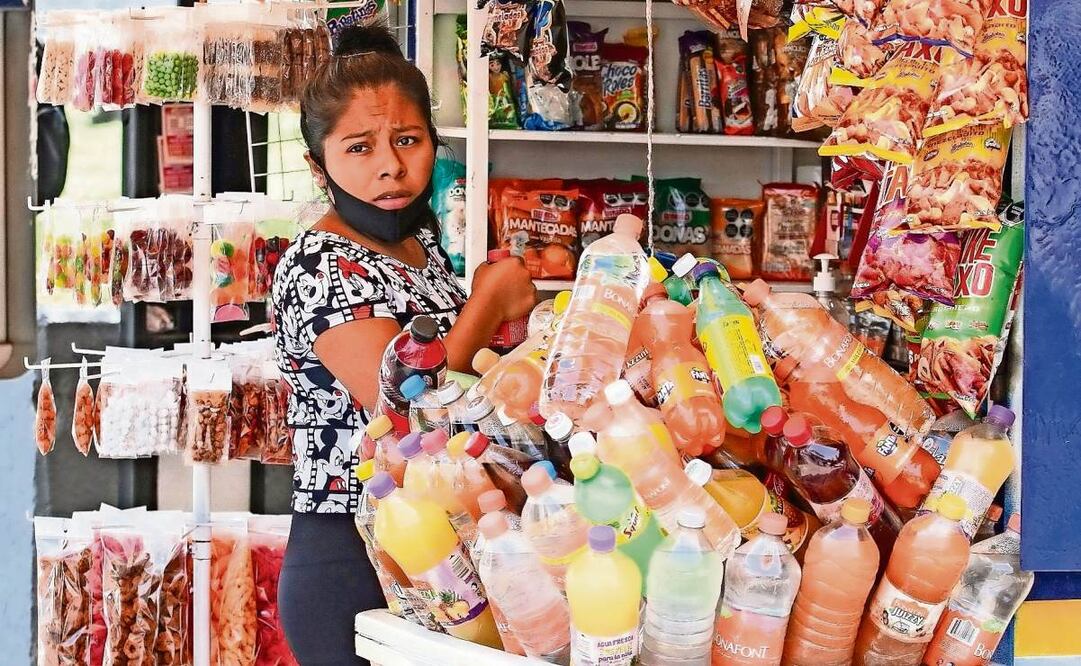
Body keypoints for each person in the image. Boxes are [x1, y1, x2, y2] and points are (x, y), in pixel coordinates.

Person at [271, 24, 536, 665]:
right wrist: (487, 301)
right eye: (359, 148)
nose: (391, 165)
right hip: (355, 551)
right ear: (319, 165)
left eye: (408, 140)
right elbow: (406, 410)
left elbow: (463, 374)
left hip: (448, 542)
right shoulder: (319, 262)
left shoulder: (417, 248)